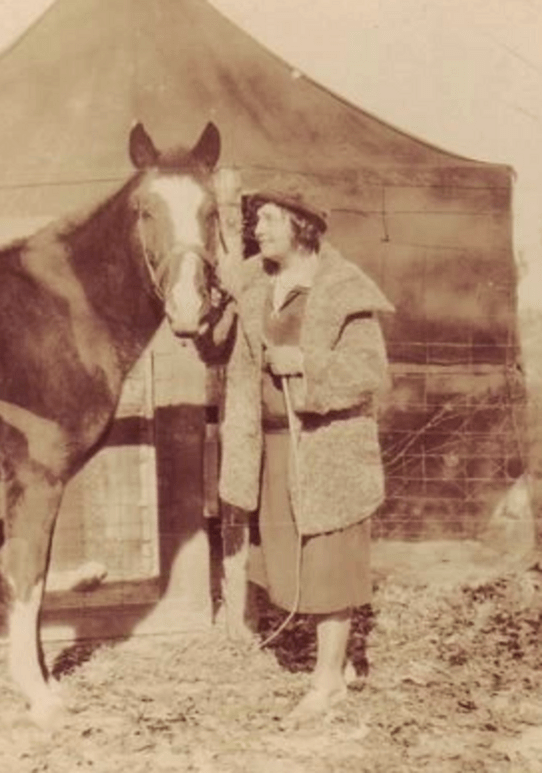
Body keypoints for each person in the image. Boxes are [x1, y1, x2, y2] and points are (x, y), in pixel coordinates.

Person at [218, 183, 394, 725]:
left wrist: (306, 364)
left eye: (269, 218)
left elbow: (370, 373)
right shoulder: (252, 282)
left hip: (328, 449)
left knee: (328, 562)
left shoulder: (341, 287)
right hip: (271, 444)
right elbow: (220, 345)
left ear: (301, 224)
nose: (258, 228)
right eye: (256, 219)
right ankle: (337, 666)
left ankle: (326, 684)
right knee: (291, 561)